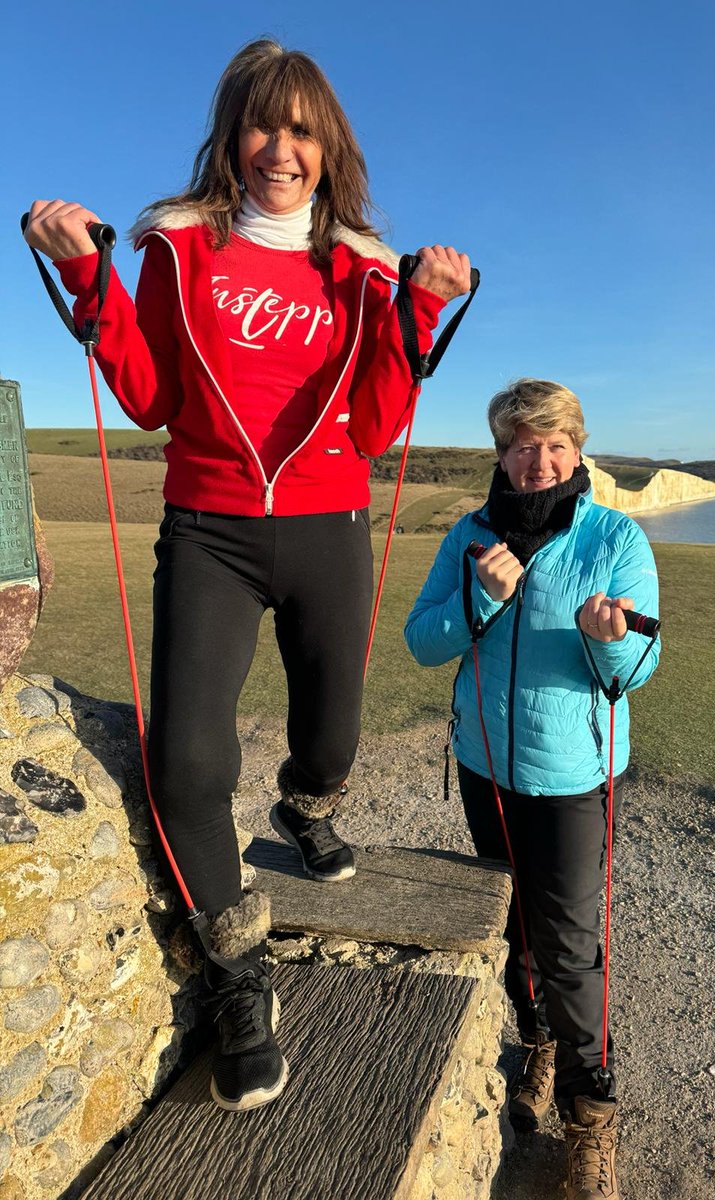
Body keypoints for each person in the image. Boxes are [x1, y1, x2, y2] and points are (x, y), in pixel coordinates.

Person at [24, 38, 471, 1113]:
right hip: (211, 528)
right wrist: (88, 272)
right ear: (232, 138)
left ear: (330, 149)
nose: (282, 147)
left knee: (334, 736)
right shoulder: (181, 248)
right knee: (185, 763)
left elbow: (372, 421)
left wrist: (415, 314)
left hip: (328, 523)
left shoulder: (364, 266)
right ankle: (239, 978)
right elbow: (145, 393)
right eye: (262, 126)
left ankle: (308, 808)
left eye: (303, 129)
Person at [404, 379, 660, 1200]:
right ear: (502, 455)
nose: (538, 460)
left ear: (577, 450)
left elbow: (639, 667)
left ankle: (592, 1116)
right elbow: (421, 641)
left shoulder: (615, 536)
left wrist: (612, 643)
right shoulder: (471, 536)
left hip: (575, 779)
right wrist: (481, 597)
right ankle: (537, 1043)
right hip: (484, 767)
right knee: (512, 924)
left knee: (574, 947)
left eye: (554, 444)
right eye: (521, 445)